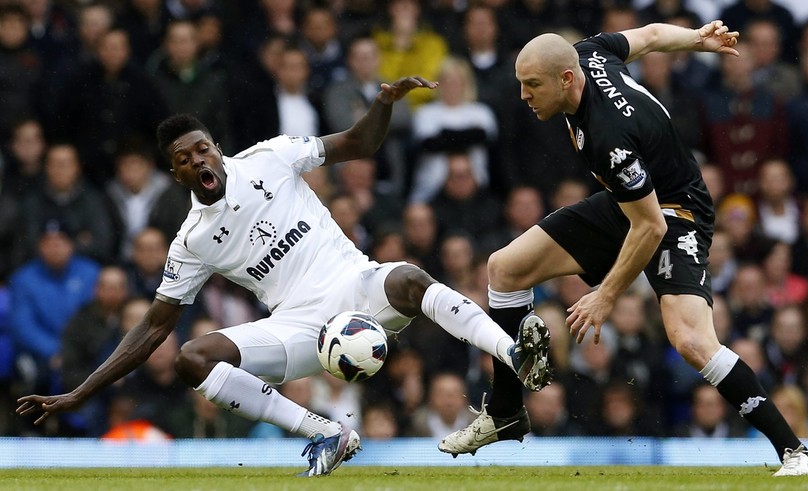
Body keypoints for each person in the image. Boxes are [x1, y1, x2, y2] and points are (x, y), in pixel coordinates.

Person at [16, 76, 551, 477]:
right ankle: (328, 433)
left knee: (408, 277)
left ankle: (514, 355)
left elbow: (357, 146)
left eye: (202, 147)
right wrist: (81, 393)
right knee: (191, 359)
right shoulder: (192, 240)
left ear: (216, 149)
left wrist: (383, 103)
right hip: (299, 327)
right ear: (176, 172)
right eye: (184, 157)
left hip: (356, 286)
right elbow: (153, 328)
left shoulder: (271, 157)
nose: (198, 158)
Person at [437, 20, 808, 476]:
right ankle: (504, 412)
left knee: (692, 340)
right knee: (504, 269)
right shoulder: (590, 52)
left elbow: (651, 227)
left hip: (675, 211)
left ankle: (797, 452)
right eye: (521, 84)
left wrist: (605, 296)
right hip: (632, 202)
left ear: (565, 78)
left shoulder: (609, 136)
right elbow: (652, 36)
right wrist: (698, 39)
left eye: (532, 85)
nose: (524, 96)